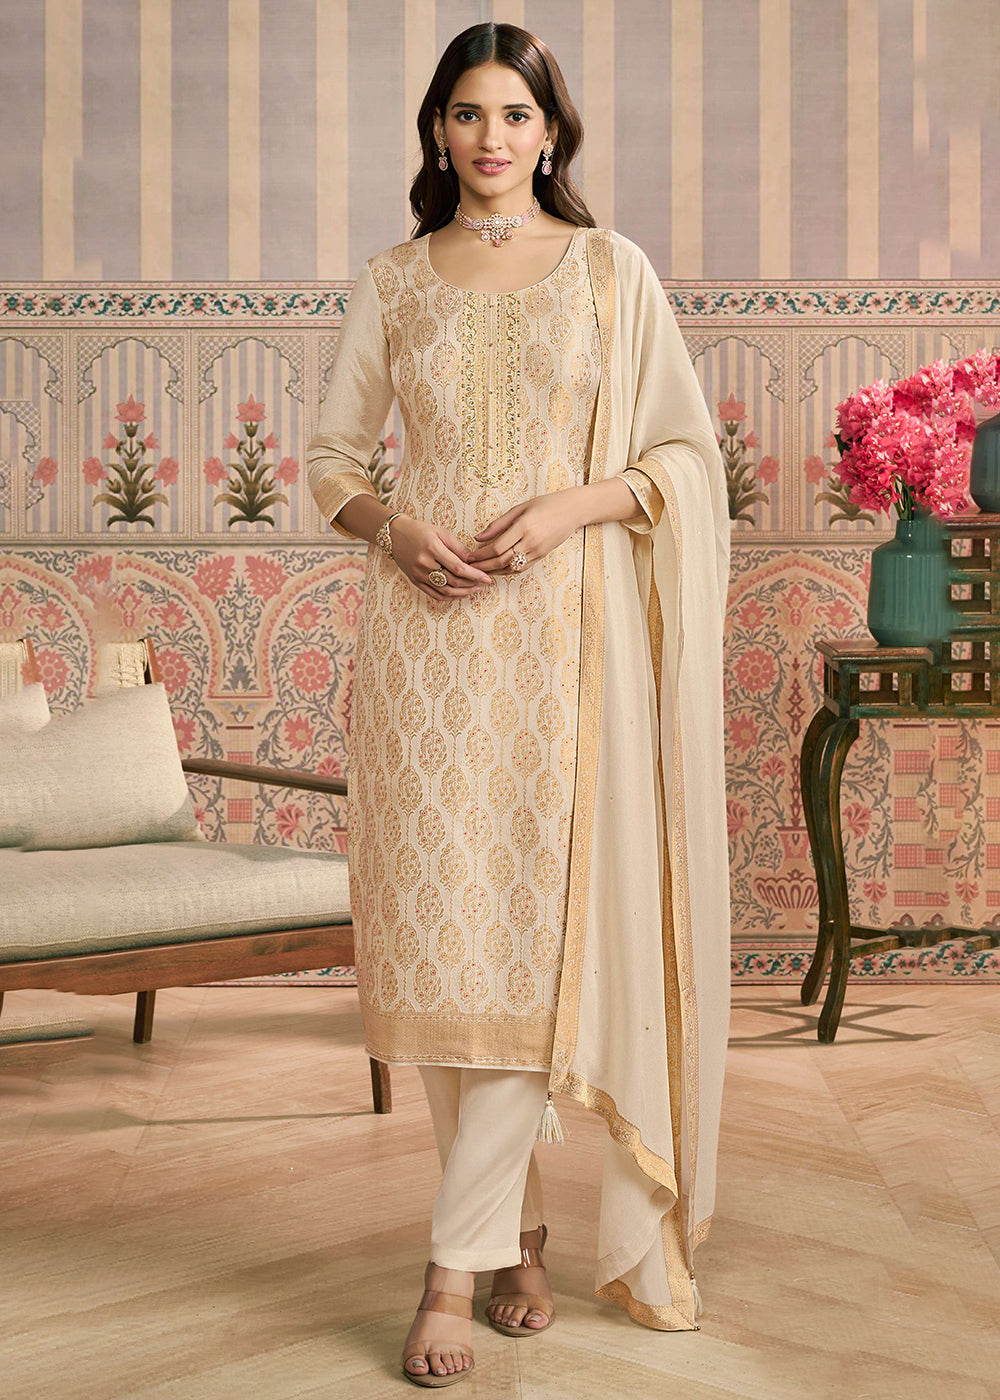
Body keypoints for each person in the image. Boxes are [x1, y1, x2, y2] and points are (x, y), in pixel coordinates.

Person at [306, 21, 730, 1390]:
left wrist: (570, 507)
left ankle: (450, 1265)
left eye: (515, 114)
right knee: (446, 959)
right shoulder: (394, 282)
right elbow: (330, 461)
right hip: (424, 651)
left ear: (552, 133)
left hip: (564, 651)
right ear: (437, 131)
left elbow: (684, 455)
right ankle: (516, 1234)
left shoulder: (612, 273)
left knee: (524, 956)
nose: (491, 138)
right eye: (467, 114)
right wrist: (391, 529)